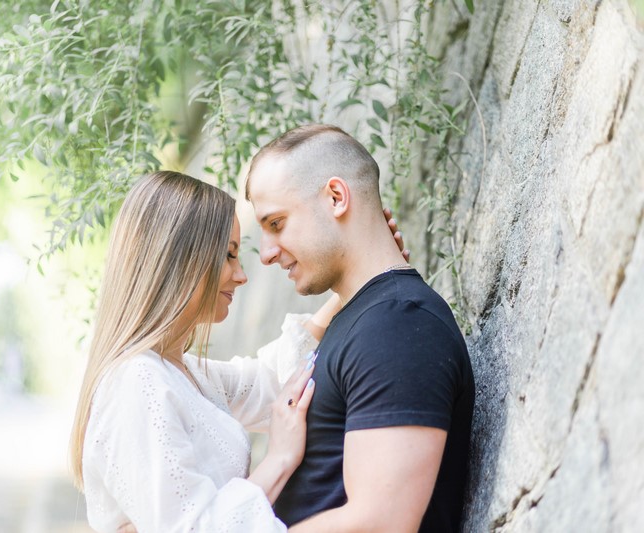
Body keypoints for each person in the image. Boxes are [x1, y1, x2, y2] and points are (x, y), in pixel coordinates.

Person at [69, 170, 407, 533]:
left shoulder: (181, 373)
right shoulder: (137, 383)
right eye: (229, 256)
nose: (241, 274)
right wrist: (278, 459)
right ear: (180, 262)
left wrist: (354, 283)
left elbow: (272, 381)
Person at [245, 124, 475, 532]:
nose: (265, 254)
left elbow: (381, 521)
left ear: (336, 197)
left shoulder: (399, 326)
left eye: (276, 224)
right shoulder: (368, 320)